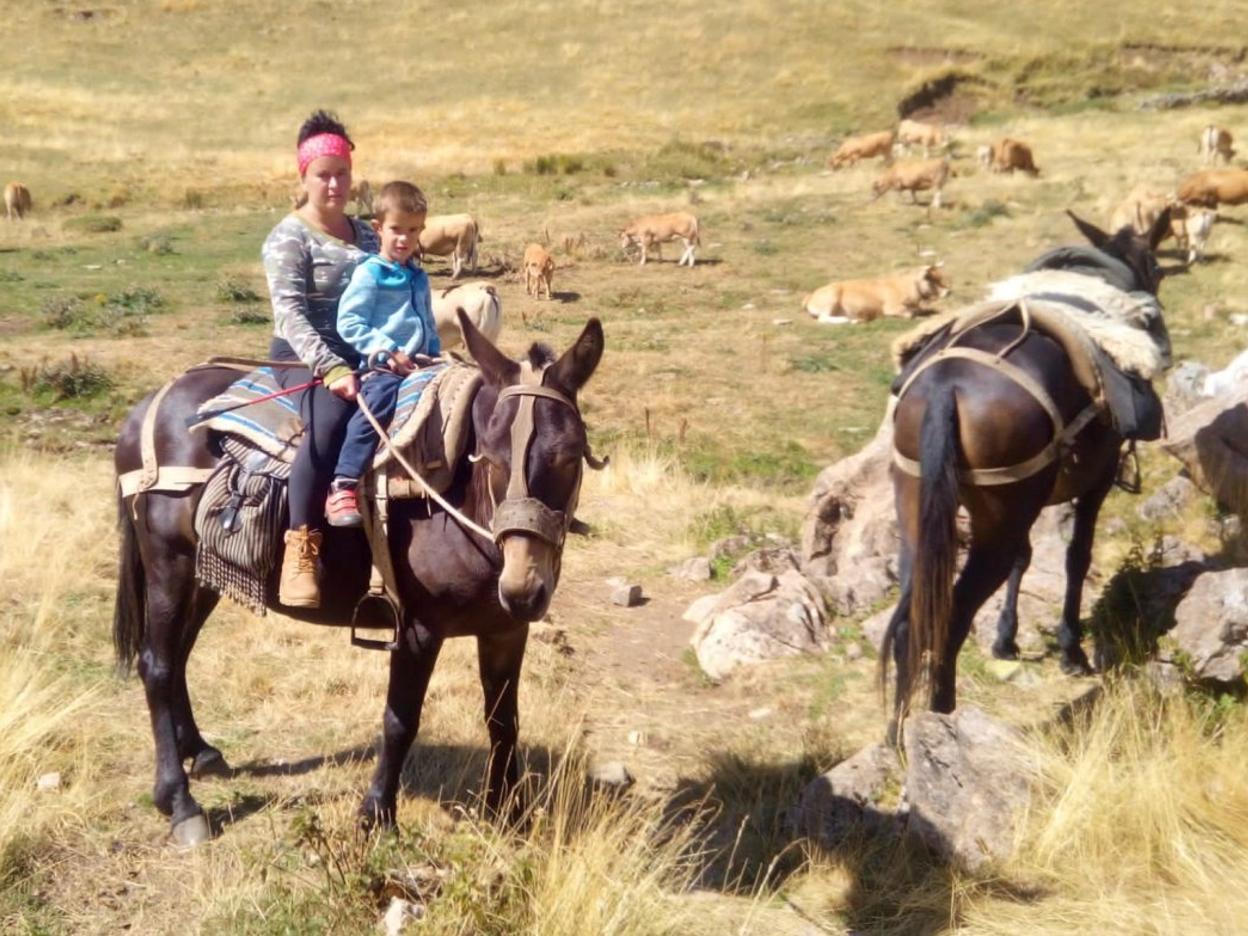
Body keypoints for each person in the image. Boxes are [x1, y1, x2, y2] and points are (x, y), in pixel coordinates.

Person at [262, 110, 379, 608]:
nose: (334, 184)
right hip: (303, 356)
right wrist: (329, 366)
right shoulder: (289, 237)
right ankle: (301, 548)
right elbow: (289, 313)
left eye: (342, 173)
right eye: (323, 174)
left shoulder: (370, 235)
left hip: (367, 353)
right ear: (304, 177)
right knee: (329, 426)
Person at [325, 181, 438, 527]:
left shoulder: (419, 277)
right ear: (378, 229)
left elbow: (429, 324)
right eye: (396, 230)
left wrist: (434, 354)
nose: (404, 239)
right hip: (383, 368)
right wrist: (386, 351)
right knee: (376, 401)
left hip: (421, 366)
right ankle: (343, 483)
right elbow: (350, 321)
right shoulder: (370, 273)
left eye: (413, 231)